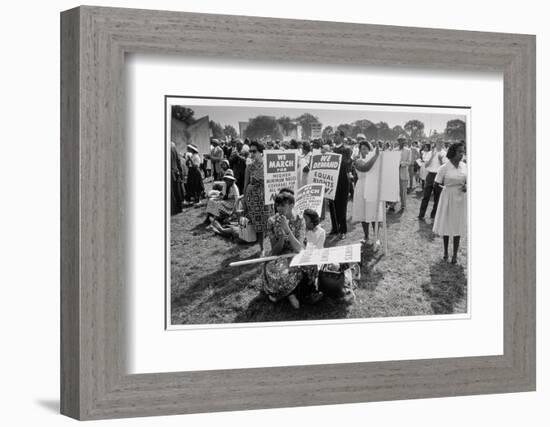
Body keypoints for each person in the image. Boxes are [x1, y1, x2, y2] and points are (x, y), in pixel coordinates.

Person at [263, 193, 316, 309]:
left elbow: (299, 248)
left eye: (283, 205)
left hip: (296, 253)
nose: (279, 209)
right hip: (281, 256)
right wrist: (281, 237)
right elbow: (275, 251)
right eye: (277, 205)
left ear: (292, 205)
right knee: (274, 270)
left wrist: (287, 230)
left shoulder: (300, 220)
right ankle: (290, 294)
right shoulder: (271, 221)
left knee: (310, 266)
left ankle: (301, 293)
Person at [432, 143, 467, 264]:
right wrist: (446, 191)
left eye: (463, 152)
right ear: (452, 153)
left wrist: (466, 186)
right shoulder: (444, 168)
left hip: (461, 199)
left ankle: (455, 255)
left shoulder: (465, 166)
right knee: (447, 224)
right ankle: (446, 251)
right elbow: (436, 185)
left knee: (458, 224)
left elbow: (468, 181)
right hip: (447, 197)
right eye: (459, 152)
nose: (462, 154)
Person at [243, 140, 272, 256]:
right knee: (259, 225)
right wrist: (245, 200)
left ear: (261, 152)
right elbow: (245, 185)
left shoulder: (268, 164)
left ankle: (273, 245)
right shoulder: (249, 167)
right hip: (254, 198)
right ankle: (262, 248)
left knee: (269, 222)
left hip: (267, 196)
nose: (252, 154)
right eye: (250, 151)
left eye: (254, 151)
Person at [351, 140, 382, 244]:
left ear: (370, 150)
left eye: (367, 149)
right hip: (362, 188)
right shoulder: (357, 160)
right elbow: (365, 168)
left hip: (372, 188)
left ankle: (376, 237)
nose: (364, 151)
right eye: (362, 149)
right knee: (364, 213)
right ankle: (366, 236)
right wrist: (376, 156)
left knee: (374, 213)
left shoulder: (375, 159)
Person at [329, 130, 353, 239]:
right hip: (332, 181)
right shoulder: (331, 149)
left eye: (336, 135)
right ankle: (335, 228)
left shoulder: (346, 149)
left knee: (342, 206)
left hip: (343, 180)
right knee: (332, 205)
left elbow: (345, 162)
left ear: (342, 137)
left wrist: (331, 153)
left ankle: (342, 230)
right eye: (334, 135)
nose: (334, 137)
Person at [418, 139, 447, 221]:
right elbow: (426, 165)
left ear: (443, 144)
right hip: (430, 175)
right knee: (425, 196)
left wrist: (440, 161)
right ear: (436, 143)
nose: (440, 144)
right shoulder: (430, 152)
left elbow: (445, 168)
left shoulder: (444, 153)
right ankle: (421, 215)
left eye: (441, 143)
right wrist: (432, 157)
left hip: (439, 176)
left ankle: (433, 215)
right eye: (439, 142)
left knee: (437, 198)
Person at [170, 142, 185, 215]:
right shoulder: (172, 146)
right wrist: (180, 171)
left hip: (171, 172)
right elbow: (178, 160)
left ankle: (174, 209)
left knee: (172, 192)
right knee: (177, 191)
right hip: (175, 172)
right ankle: (179, 208)